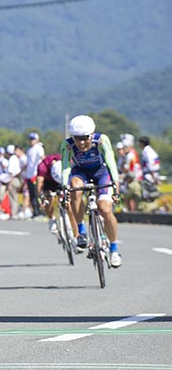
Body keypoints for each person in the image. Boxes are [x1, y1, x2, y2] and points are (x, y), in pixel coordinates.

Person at [60, 115, 122, 268]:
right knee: (74, 186)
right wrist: (64, 186)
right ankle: (81, 231)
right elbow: (66, 167)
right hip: (80, 172)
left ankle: (114, 250)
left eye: (85, 138)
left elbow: (111, 161)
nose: (81, 143)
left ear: (91, 135)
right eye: (77, 138)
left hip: (101, 173)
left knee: (105, 209)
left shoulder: (101, 140)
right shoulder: (67, 145)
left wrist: (115, 186)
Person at [24, 132, 45, 217]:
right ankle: (35, 212)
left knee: (37, 193)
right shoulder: (29, 149)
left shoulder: (38, 148)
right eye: (30, 139)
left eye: (33, 139)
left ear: (37, 140)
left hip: (36, 174)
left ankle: (41, 212)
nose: (31, 141)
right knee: (32, 194)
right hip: (29, 174)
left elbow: (42, 158)